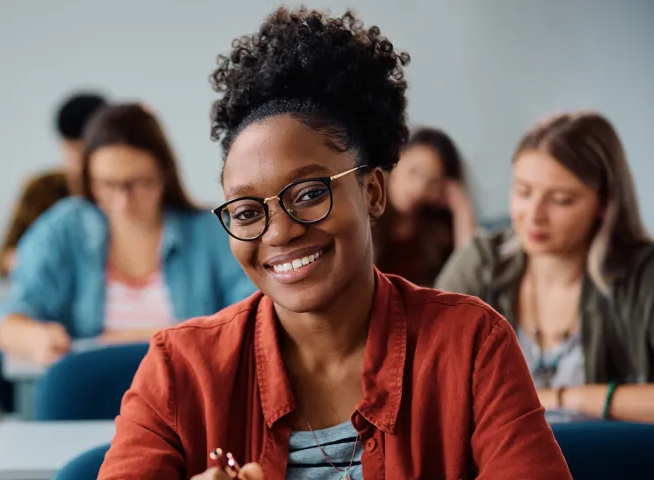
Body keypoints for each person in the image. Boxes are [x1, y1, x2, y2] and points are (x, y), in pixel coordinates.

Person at [98, 7, 571, 480]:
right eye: (246, 212)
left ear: (372, 193)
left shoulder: (470, 346)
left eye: (309, 194)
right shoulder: (180, 370)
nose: (279, 232)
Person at [0, 103, 256, 413]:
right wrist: (33, 336)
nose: (123, 203)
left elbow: (255, 313)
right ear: (88, 179)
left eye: (138, 183)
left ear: (164, 173)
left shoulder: (209, 232)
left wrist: (122, 338)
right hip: (90, 407)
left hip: (191, 406)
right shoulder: (64, 227)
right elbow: (10, 314)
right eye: (107, 185)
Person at [436, 111, 654, 424]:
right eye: (523, 192)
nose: (534, 215)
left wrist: (565, 398)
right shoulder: (481, 261)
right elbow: (418, 370)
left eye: (561, 199)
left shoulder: (643, 275)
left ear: (605, 203)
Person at [0, 92, 106, 280]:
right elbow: (1, 260)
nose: (79, 163)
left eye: (87, 152)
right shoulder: (41, 189)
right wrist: (34, 259)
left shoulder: (117, 194)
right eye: (72, 150)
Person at [374, 127, 477, 285]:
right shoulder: (366, 211)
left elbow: (470, 276)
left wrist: (461, 208)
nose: (419, 188)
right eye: (414, 172)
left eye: (432, 181)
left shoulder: (434, 233)